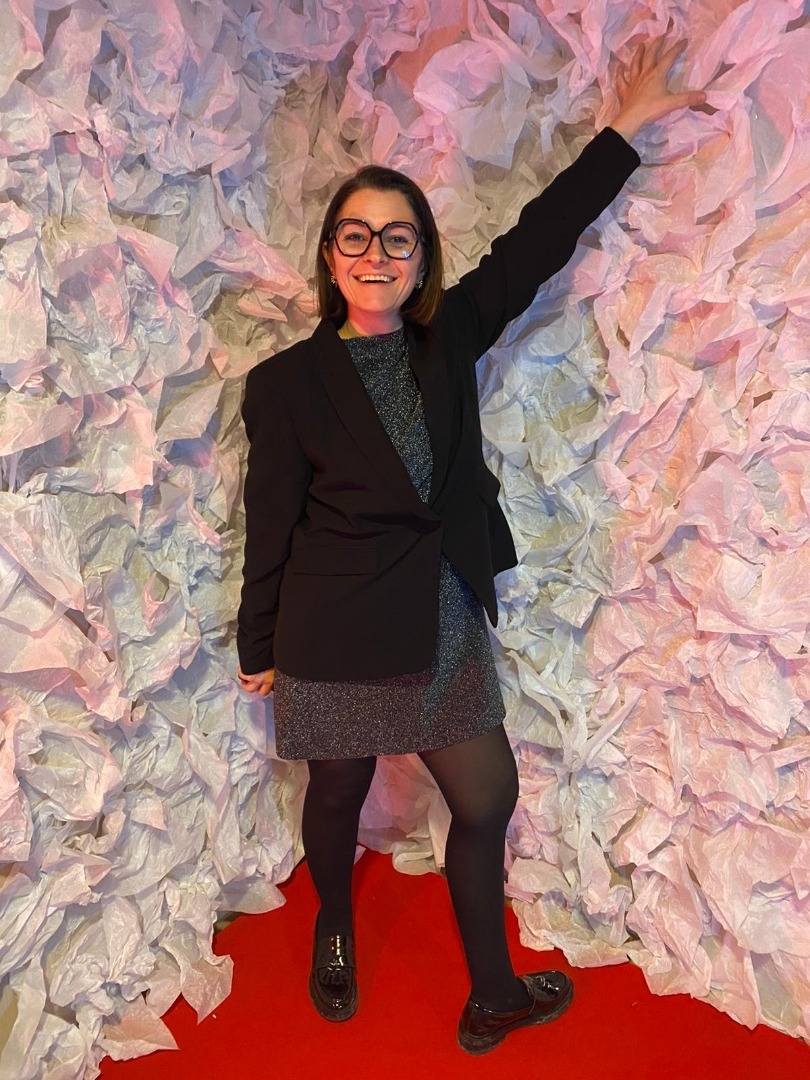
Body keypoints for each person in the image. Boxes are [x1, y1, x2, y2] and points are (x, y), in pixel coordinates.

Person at [236, 37, 705, 1054]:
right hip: (332, 627)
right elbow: (269, 523)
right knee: (337, 791)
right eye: (356, 236)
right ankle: (333, 922)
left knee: (487, 796)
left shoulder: (448, 338)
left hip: (439, 613)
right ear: (331, 257)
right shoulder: (283, 385)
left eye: (397, 239)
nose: (376, 254)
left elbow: (539, 241)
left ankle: (492, 993)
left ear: (420, 260)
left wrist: (624, 128)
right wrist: (257, 643)